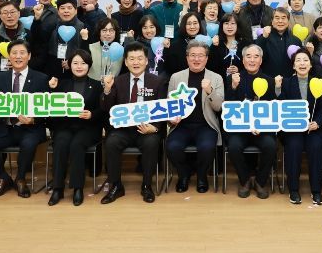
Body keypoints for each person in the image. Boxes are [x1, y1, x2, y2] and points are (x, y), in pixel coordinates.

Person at [0, 40, 49, 199]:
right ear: (8, 57)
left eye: (22, 53)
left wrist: (33, 120)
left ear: (29, 56)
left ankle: (20, 178)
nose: (18, 56)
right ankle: (3, 177)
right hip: (5, 128)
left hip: (30, 128)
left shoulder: (41, 78)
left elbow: (47, 108)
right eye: (14, 53)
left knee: (29, 144)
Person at [100, 42, 167, 204]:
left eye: (139, 58)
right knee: (111, 142)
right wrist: (107, 90)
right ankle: (116, 186)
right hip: (123, 129)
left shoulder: (157, 82)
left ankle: (147, 185)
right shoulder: (118, 81)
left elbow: (163, 108)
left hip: (146, 128)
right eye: (131, 59)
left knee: (151, 143)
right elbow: (107, 109)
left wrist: (155, 127)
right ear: (125, 62)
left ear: (146, 61)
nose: (136, 62)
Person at [166, 41, 224, 193]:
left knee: (207, 147)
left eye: (200, 56)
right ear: (187, 58)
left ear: (206, 58)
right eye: (193, 55)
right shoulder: (176, 77)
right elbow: (169, 105)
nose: (196, 59)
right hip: (181, 126)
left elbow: (219, 107)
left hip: (206, 125)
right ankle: (183, 174)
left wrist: (210, 90)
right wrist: (171, 118)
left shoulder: (216, 78)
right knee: (172, 147)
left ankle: (202, 176)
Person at [46, 50, 103, 206]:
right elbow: (51, 107)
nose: (79, 66)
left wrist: (92, 114)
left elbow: (102, 110)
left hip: (88, 128)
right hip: (65, 126)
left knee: (77, 144)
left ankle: (78, 188)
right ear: (69, 65)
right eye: (75, 63)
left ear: (89, 65)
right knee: (61, 143)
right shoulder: (62, 84)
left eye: (83, 63)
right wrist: (52, 90)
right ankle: (58, 188)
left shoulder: (97, 85)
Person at [275, 48, 322, 205]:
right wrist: (277, 89)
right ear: (293, 66)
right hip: (292, 129)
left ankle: (316, 190)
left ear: (310, 65)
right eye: (298, 60)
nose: (302, 63)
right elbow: (280, 106)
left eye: (305, 60)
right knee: (294, 146)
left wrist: (317, 122)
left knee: (316, 146)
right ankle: (293, 189)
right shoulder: (286, 83)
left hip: (314, 128)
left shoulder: (318, 83)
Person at [224, 44, 277, 199]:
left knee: (271, 146)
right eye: (248, 56)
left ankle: (260, 181)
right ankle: (245, 180)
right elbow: (226, 107)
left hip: (262, 129)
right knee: (233, 146)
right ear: (243, 59)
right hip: (240, 129)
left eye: (256, 57)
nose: (252, 60)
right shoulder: (233, 79)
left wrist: (261, 125)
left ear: (261, 60)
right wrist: (233, 87)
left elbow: (273, 108)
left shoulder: (270, 81)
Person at [31, 0, 85, 79]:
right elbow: (37, 38)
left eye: (69, 8)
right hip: (53, 67)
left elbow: (86, 51)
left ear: (75, 11)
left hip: (75, 69)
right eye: (62, 8)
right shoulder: (52, 26)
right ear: (58, 11)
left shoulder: (83, 27)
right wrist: (37, 19)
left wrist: (73, 61)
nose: (66, 11)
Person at [255, 7, 302, 79]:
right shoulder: (264, 38)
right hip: (268, 81)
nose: (280, 21)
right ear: (272, 21)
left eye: (283, 18)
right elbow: (256, 56)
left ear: (288, 21)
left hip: (289, 81)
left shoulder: (296, 40)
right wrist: (263, 38)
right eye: (277, 18)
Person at [21, 0, 59, 71]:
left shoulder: (57, 14)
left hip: (48, 58)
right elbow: (10, 11)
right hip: (28, 55)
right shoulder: (28, 11)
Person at [208, 12, 251, 79]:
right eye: (226, 23)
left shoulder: (245, 43)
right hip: (221, 82)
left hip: (241, 81)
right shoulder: (217, 44)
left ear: (237, 26)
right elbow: (210, 67)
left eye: (233, 23)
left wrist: (239, 70)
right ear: (222, 26)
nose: (229, 27)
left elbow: (251, 64)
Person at [163, 12, 206, 77]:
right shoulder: (175, 46)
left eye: (195, 23)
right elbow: (169, 69)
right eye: (189, 24)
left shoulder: (206, 43)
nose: (192, 26)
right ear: (184, 25)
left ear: (199, 24)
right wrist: (166, 49)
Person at [85, 17, 122, 81]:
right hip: (92, 85)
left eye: (111, 30)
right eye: (104, 30)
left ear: (116, 33)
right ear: (99, 32)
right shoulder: (90, 48)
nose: (108, 33)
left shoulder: (121, 50)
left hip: (114, 85)